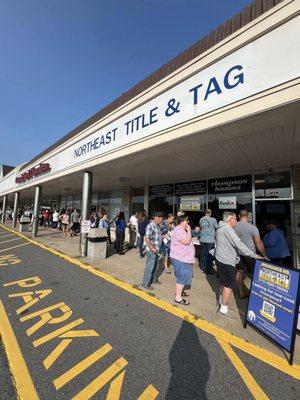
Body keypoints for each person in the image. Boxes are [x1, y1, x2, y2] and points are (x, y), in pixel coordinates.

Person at [214, 212, 261, 320]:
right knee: (228, 286)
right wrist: (253, 255)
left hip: (221, 260)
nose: (236, 221)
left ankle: (222, 304)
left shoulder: (220, 228)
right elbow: (238, 244)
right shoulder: (227, 229)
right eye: (235, 219)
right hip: (226, 262)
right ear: (230, 219)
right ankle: (223, 310)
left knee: (223, 284)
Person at [234, 210, 267, 298]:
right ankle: (255, 294)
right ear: (248, 217)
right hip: (250, 254)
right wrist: (264, 255)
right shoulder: (252, 227)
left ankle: (241, 292)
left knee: (239, 271)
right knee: (253, 274)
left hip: (238, 253)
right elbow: (258, 242)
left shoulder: (234, 226)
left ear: (238, 216)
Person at [170, 216, 195, 305]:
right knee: (182, 277)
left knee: (183, 276)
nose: (187, 223)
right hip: (180, 258)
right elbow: (186, 241)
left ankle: (180, 292)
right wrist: (189, 230)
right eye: (186, 221)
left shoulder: (181, 229)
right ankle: (178, 298)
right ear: (181, 222)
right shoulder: (179, 230)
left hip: (184, 258)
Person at [142, 211, 164, 290]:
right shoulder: (150, 226)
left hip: (157, 250)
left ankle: (153, 279)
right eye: (161, 219)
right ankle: (145, 283)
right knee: (150, 266)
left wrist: (166, 236)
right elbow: (147, 239)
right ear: (157, 218)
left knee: (155, 265)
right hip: (152, 250)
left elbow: (157, 236)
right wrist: (152, 248)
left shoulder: (157, 226)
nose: (161, 221)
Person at [199, 209, 218, 274]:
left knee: (202, 253)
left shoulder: (201, 219)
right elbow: (217, 228)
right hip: (210, 239)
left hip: (202, 239)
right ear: (210, 213)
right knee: (209, 255)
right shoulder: (213, 220)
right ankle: (207, 269)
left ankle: (202, 266)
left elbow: (201, 228)